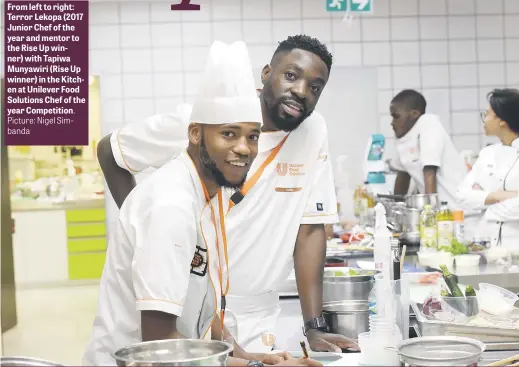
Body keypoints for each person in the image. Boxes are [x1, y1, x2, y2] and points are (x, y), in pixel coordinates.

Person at [96, 35, 358, 354]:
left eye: (252, 138)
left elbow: (311, 227)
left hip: (238, 312)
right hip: (175, 317)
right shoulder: (173, 197)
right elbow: (111, 150)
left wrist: (310, 329)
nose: (243, 150)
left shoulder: (313, 130)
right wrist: (144, 236)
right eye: (291, 75)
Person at [456, 88, 519, 250]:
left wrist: (484, 208)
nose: (484, 120)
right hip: (486, 248)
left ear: (502, 120)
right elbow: (462, 196)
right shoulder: (487, 153)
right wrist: (495, 196)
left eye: (488, 114)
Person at [389, 89, 467, 208]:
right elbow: (403, 176)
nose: (392, 122)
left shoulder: (428, 124)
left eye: (396, 116)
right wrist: (394, 209)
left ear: (414, 114)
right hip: (439, 209)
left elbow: (430, 170)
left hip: (457, 209)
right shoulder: (406, 137)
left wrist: (431, 212)